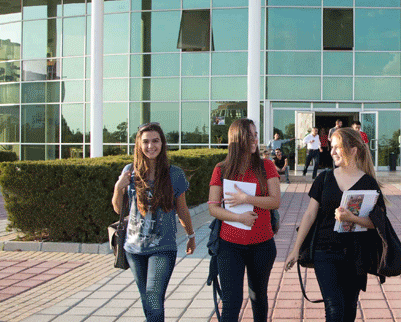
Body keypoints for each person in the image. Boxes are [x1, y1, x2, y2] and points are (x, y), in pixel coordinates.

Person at [284, 128, 387, 322]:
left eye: (337, 147)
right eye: (331, 147)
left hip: (356, 254)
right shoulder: (324, 178)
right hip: (325, 251)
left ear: (354, 150)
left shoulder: (369, 184)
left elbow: (378, 223)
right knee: (334, 309)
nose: (331, 152)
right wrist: (296, 248)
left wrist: (352, 218)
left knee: (349, 310)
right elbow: (309, 214)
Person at [112, 122, 195, 322]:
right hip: (133, 249)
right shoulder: (129, 171)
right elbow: (118, 209)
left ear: (162, 143)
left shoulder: (174, 174)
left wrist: (191, 236)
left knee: (154, 299)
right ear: (139, 145)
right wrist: (118, 187)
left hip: (163, 247)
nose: (151, 146)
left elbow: (182, 209)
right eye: (146, 142)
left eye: (155, 141)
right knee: (147, 301)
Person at [208, 118, 281, 322]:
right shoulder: (221, 169)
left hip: (262, 244)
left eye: (255, 134)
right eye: (249, 135)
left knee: (258, 297)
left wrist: (246, 199)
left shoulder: (266, 165)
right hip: (229, 245)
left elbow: (275, 201)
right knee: (232, 303)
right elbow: (213, 208)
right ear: (236, 139)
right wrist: (239, 217)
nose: (254, 139)